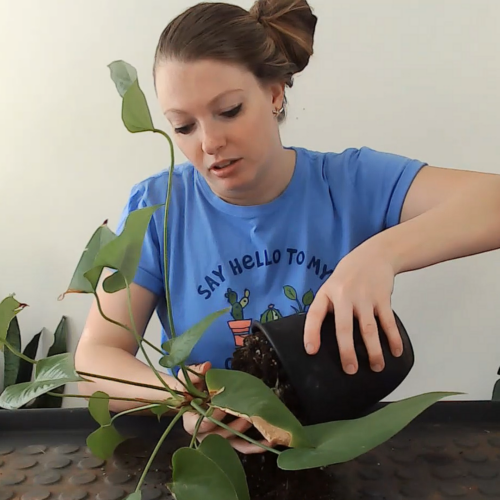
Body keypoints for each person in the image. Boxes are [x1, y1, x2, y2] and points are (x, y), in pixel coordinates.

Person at [75, 0, 500, 453]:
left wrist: (378, 256)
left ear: (275, 94)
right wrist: (183, 397)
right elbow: (96, 359)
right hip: (217, 461)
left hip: (340, 455)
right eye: (183, 126)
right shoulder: (159, 209)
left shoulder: (349, 183)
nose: (209, 142)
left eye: (230, 110)